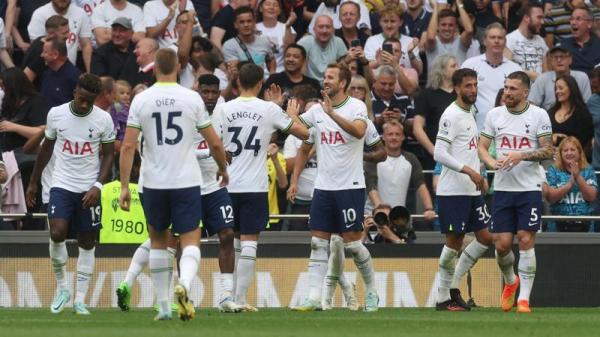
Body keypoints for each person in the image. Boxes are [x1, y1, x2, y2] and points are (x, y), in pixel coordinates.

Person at [119, 48, 229, 321]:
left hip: (153, 182)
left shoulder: (141, 99)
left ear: (154, 67)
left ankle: (165, 306)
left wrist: (123, 185)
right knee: (191, 240)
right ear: (179, 67)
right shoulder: (192, 98)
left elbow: (128, 146)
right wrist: (223, 169)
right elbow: (215, 142)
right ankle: (185, 285)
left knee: (158, 241)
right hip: (186, 180)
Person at [215, 63, 309, 312]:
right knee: (249, 243)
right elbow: (303, 133)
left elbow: (211, 142)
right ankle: (241, 298)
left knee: (231, 241)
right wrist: (286, 113)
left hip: (225, 185)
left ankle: (229, 296)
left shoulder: (223, 109)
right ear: (260, 84)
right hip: (254, 187)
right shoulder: (268, 109)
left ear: (237, 83)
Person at [288, 63, 379, 312]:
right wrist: (285, 114)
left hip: (349, 186)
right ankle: (313, 297)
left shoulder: (356, 107)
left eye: (330, 77)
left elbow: (360, 132)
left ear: (342, 83)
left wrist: (332, 115)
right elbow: (300, 134)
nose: (325, 80)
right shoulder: (317, 110)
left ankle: (372, 291)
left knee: (352, 244)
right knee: (318, 243)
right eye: (324, 76)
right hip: (323, 187)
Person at [25, 73, 116, 315]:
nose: (84, 104)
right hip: (62, 183)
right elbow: (46, 149)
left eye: (90, 101)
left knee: (87, 242)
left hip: (89, 188)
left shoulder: (104, 120)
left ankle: (80, 299)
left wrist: (98, 185)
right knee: (57, 232)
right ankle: (62, 288)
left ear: (95, 98)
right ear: (75, 92)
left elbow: (108, 155)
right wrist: (33, 182)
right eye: (81, 99)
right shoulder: (56, 114)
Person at [478, 71, 554, 314]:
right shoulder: (494, 115)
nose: (507, 92)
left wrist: (521, 155)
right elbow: (481, 146)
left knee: (525, 238)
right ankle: (511, 281)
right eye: (506, 87)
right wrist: (490, 161)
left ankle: (524, 300)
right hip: (503, 188)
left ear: (525, 92)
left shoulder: (539, 115)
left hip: (528, 188)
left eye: (512, 89)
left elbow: (548, 151)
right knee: (501, 245)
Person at [433, 68, 493, 311]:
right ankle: (442, 297)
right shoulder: (451, 115)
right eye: (468, 85)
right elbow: (439, 153)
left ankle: (454, 287)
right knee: (454, 242)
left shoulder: (470, 112)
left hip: (471, 191)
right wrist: (469, 170)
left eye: (475, 85)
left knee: (486, 237)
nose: (473, 90)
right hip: (453, 191)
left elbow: (468, 150)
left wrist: (481, 175)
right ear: (456, 88)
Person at [365, 120, 436, 222]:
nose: (394, 137)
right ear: (383, 137)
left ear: (403, 137)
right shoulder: (374, 158)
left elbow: (420, 184)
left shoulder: (411, 159)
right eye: (390, 134)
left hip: (399, 218)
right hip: (374, 216)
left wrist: (429, 208)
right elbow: (371, 185)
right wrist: (380, 208)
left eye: (397, 134)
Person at [461, 23, 521, 129]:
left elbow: (521, 100)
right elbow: (460, 96)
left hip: (507, 128)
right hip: (476, 128)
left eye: (500, 38)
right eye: (492, 37)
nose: (496, 41)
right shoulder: (470, 65)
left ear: (505, 42)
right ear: (484, 41)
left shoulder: (515, 69)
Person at [413, 54, 458, 170]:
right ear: (442, 70)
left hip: (460, 152)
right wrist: (432, 150)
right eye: (453, 66)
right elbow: (417, 128)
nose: (458, 68)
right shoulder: (427, 95)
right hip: (437, 155)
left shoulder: (461, 94)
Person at [544, 136, 597, 232]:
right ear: (560, 153)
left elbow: (591, 196)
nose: (569, 153)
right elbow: (550, 197)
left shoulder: (588, 169)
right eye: (565, 150)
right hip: (557, 226)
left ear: (579, 152)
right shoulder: (553, 170)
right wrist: (570, 184)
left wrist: (578, 177)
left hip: (586, 225)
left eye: (573, 150)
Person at [28, 0, 94, 73]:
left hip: (69, 70)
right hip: (44, 72)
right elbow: (37, 48)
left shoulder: (80, 13)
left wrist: (89, 72)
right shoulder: (39, 14)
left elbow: (86, 45)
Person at [364, 4, 423, 74]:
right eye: (385, 21)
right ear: (380, 22)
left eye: (393, 21)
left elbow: (419, 71)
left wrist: (410, 53)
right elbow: (366, 70)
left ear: (400, 22)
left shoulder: (410, 42)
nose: (389, 25)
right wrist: (378, 62)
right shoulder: (372, 41)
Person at [529, 46, 591, 111]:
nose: (559, 60)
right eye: (555, 57)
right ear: (551, 61)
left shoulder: (582, 77)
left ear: (570, 60)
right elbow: (532, 104)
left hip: (576, 117)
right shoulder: (542, 79)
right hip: (548, 118)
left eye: (562, 57)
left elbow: (587, 104)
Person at [222, 6, 277, 78]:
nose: (246, 25)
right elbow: (235, 72)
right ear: (235, 24)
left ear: (254, 22)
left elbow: (271, 59)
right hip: (241, 86)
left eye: (249, 21)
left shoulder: (264, 41)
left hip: (262, 85)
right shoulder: (229, 45)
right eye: (242, 22)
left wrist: (272, 76)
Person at [548, 75, 594, 152]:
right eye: (556, 89)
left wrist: (557, 139)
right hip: (550, 157)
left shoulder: (582, 114)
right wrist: (551, 137)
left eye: (561, 88)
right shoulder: (550, 113)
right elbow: (542, 136)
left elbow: (581, 142)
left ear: (571, 89)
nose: (557, 91)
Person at [425, 0, 473, 70]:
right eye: (443, 25)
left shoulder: (461, 42)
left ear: (456, 27)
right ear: (437, 26)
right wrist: (435, 8)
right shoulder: (433, 43)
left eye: (451, 25)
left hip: (457, 81)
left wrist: (459, 4)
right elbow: (430, 37)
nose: (447, 28)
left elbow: (469, 30)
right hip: (436, 81)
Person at [297, 15, 348, 82]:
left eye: (328, 27)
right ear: (314, 29)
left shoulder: (338, 42)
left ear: (333, 30)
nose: (324, 31)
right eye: (321, 27)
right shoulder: (304, 42)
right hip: (309, 84)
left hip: (332, 84)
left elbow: (344, 69)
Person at [505, 2, 548, 80]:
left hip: (539, 89)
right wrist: (532, 75)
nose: (542, 22)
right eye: (539, 17)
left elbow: (546, 70)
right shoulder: (510, 40)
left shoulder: (541, 41)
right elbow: (506, 69)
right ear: (526, 18)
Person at [256, 0, 297, 73]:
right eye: (268, 4)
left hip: (281, 72)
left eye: (275, 5)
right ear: (260, 9)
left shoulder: (286, 27)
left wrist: (288, 27)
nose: (271, 7)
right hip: (258, 72)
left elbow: (289, 51)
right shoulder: (254, 28)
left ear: (279, 11)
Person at [558, 6, 600, 74]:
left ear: (589, 24)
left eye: (578, 19)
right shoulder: (563, 45)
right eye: (572, 19)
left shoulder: (598, 45)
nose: (573, 23)